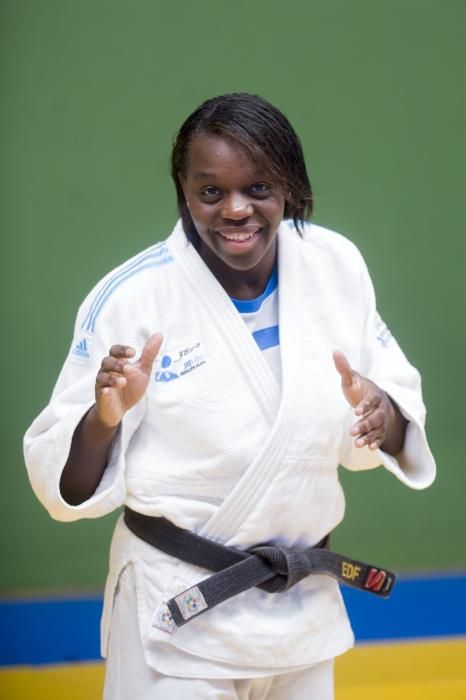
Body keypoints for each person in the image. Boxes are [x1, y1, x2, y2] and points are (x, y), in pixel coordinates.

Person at [24, 93, 435, 699]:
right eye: (210, 192)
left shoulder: (335, 265)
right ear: (184, 193)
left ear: (290, 186)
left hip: (299, 611)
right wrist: (104, 418)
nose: (236, 209)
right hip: (176, 609)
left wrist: (383, 413)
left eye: (259, 187)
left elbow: (392, 415)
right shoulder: (134, 297)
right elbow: (64, 485)